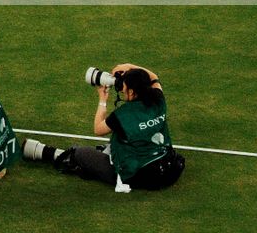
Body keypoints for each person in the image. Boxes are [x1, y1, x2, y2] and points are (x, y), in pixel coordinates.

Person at [24, 64, 183, 191]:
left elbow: (98, 129)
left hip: (136, 175)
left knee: (82, 154)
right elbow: (153, 76)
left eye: (125, 87)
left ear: (133, 92)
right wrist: (129, 67)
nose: (121, 89)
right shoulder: (158, 98)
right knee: (115, 145)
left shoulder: (123, 115)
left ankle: (48, 153)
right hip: (168, 168)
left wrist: (102, 99)